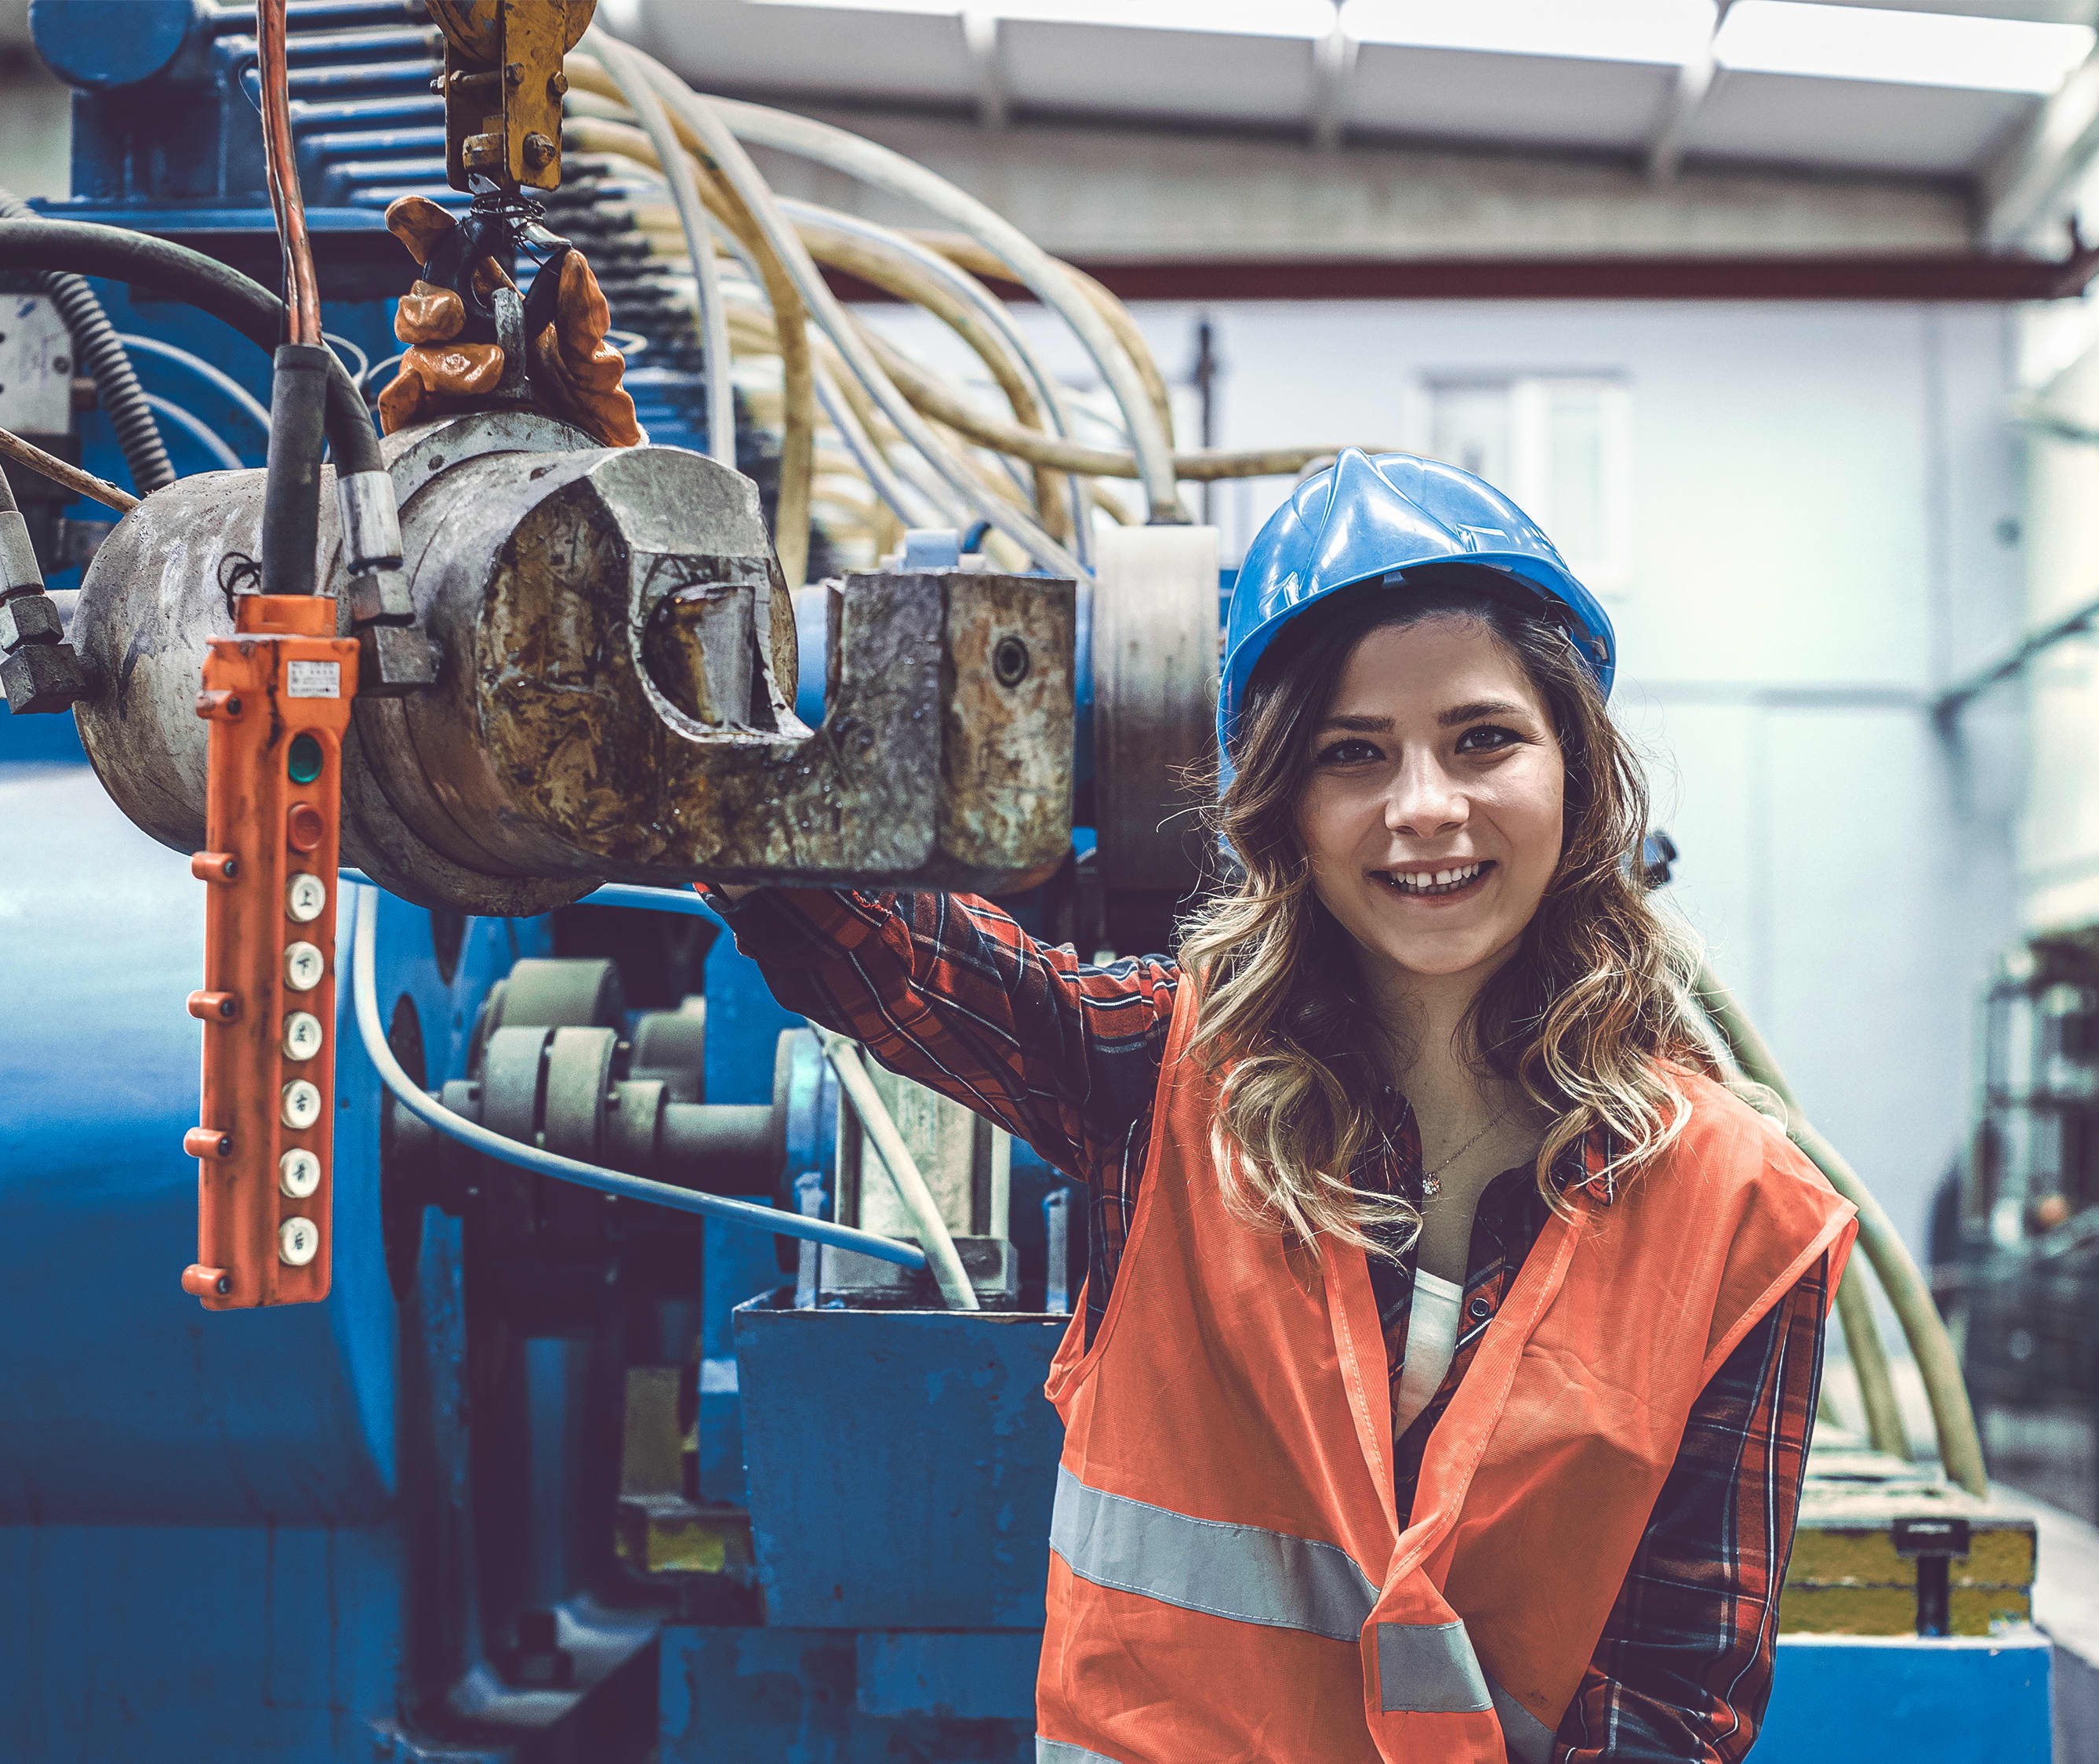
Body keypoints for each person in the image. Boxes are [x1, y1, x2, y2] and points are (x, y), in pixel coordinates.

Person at [708, 452, 1858, 1764]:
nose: (1426, 806)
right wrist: (651, 625)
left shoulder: (1740, 1212)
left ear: (1575, 770)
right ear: (1286, 809)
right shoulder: (1164, 1081)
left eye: (1483, 737)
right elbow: (870, 941)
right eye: (1352, 754)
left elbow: (1673, 1692)